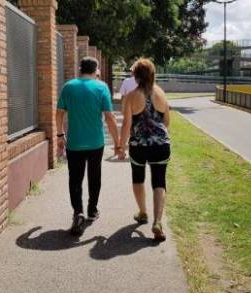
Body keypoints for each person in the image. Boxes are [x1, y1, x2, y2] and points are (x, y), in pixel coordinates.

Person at [56, 57, 120, 235]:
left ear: (80, 68)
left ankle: (78, 212)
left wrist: (60, 135)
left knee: (75, 179)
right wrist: (117, 143)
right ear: (96, 70)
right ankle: (92, 209)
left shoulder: (68, 87)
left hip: (74, 143)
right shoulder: (101, 88)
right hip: (96, 143)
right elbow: (110, 117)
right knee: (94, 176)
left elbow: (59, 114)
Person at [118, 58, 170, 241]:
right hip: (161, 145)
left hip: (139, 145)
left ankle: (142, 213)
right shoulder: (161, 93)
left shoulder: (132, 95)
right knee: (159, 182)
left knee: (138, 178)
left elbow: (126, 124)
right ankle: (157, 222)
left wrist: (120, 146)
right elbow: (166, 122)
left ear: (136, 75)